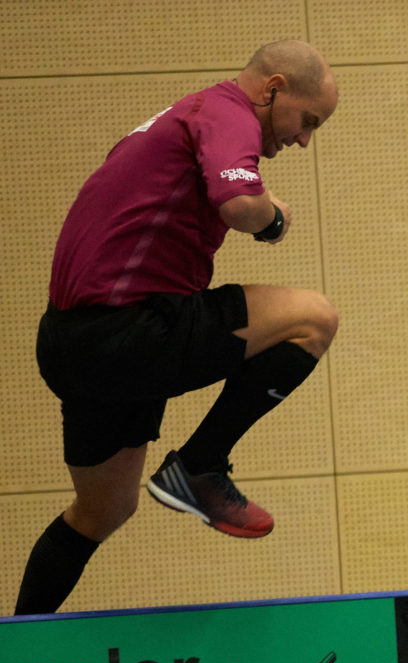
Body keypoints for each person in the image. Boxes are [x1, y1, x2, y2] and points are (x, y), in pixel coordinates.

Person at [14, 40, 341, 615]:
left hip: (69, 343)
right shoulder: (227, 112)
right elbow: (240, 204)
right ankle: (199, 466)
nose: (303, 139)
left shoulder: (173, 120)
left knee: (101, 511)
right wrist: (276, 219)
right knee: (314, 319)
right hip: (130, 331)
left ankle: (13, 657)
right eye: (307, 120)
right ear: (273, 88)